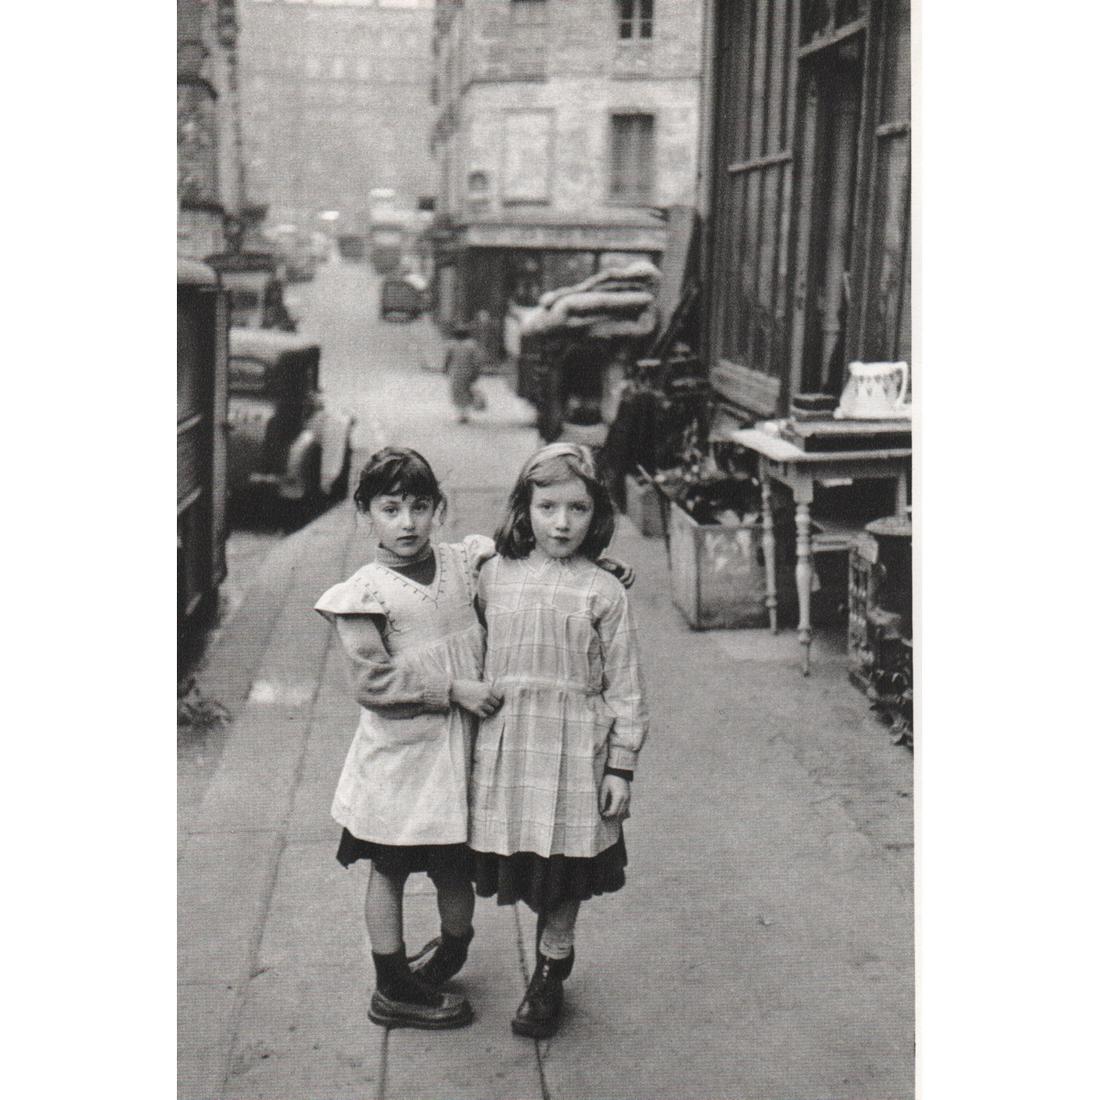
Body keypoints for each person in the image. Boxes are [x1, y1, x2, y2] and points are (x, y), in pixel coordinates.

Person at [314, 447, 501, 1030]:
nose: (407, 522)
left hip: (460, 754)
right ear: (364, 512)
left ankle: (450, 949)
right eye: (390, 508)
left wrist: (600, 568)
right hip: (400, 759)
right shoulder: (363, 594)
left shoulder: (464, 564)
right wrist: (454, 690)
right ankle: (392, 985)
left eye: (421, 506)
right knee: (390, 867)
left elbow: (526, 561)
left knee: (455, 866)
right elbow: (373, 680)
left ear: (439, 509)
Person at [469, 442, 649, 1038]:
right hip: (509, 746)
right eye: (547, 506)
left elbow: (626, 686)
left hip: (577, 750)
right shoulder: (491, 574)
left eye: (577, 508)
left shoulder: (604, 592)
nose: (562, 522)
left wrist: (620, 767)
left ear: (597, 515)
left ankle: (552, 963)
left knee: (566, 867)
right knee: (521, 864)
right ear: (526, 507)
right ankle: (522, 944)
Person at [443, 322, 483, 423]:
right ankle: (465, 414)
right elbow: (477, 361)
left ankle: (461, 414)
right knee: (466, 392)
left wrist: (445, 369)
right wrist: (476, 372)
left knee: (457, 392)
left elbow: (448, 359)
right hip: (468, 371)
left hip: (456, 371)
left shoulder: (451, 345)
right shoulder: (472, 345)